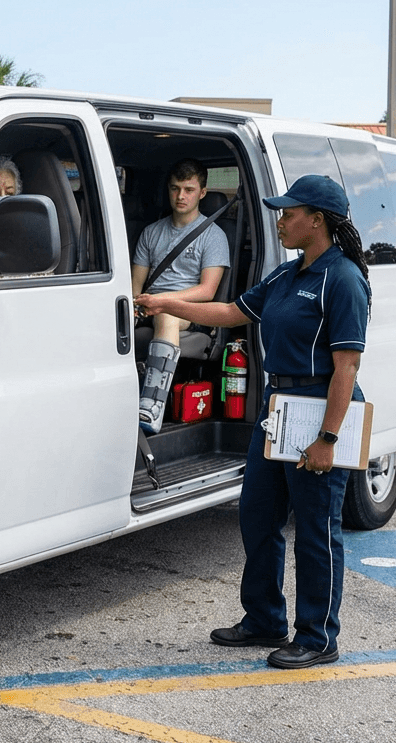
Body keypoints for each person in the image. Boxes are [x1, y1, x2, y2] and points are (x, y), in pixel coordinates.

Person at [134, 174, 371, 670]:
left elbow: (346, 366)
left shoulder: (343, 278)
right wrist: (163, 304)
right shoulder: (286, 274)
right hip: (279, 405)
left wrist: (327, 438)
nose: (280, 220)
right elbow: (228, 311)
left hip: (318, 406)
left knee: (315, 528)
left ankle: (318, 635)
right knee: (258, 516)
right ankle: (265, 618)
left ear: (318, 220)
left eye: (289, 213)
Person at [131, 159, 230, 432]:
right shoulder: (151, 232)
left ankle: (151, 406)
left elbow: (207, 291)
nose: (181, 196)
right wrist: (135, 305)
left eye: (188, 189)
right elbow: (135, 286)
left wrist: (163, 301)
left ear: (202, 193)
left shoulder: (213, 236)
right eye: (175, 189)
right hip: (148, 305)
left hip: (190, 311)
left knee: (166, 315)